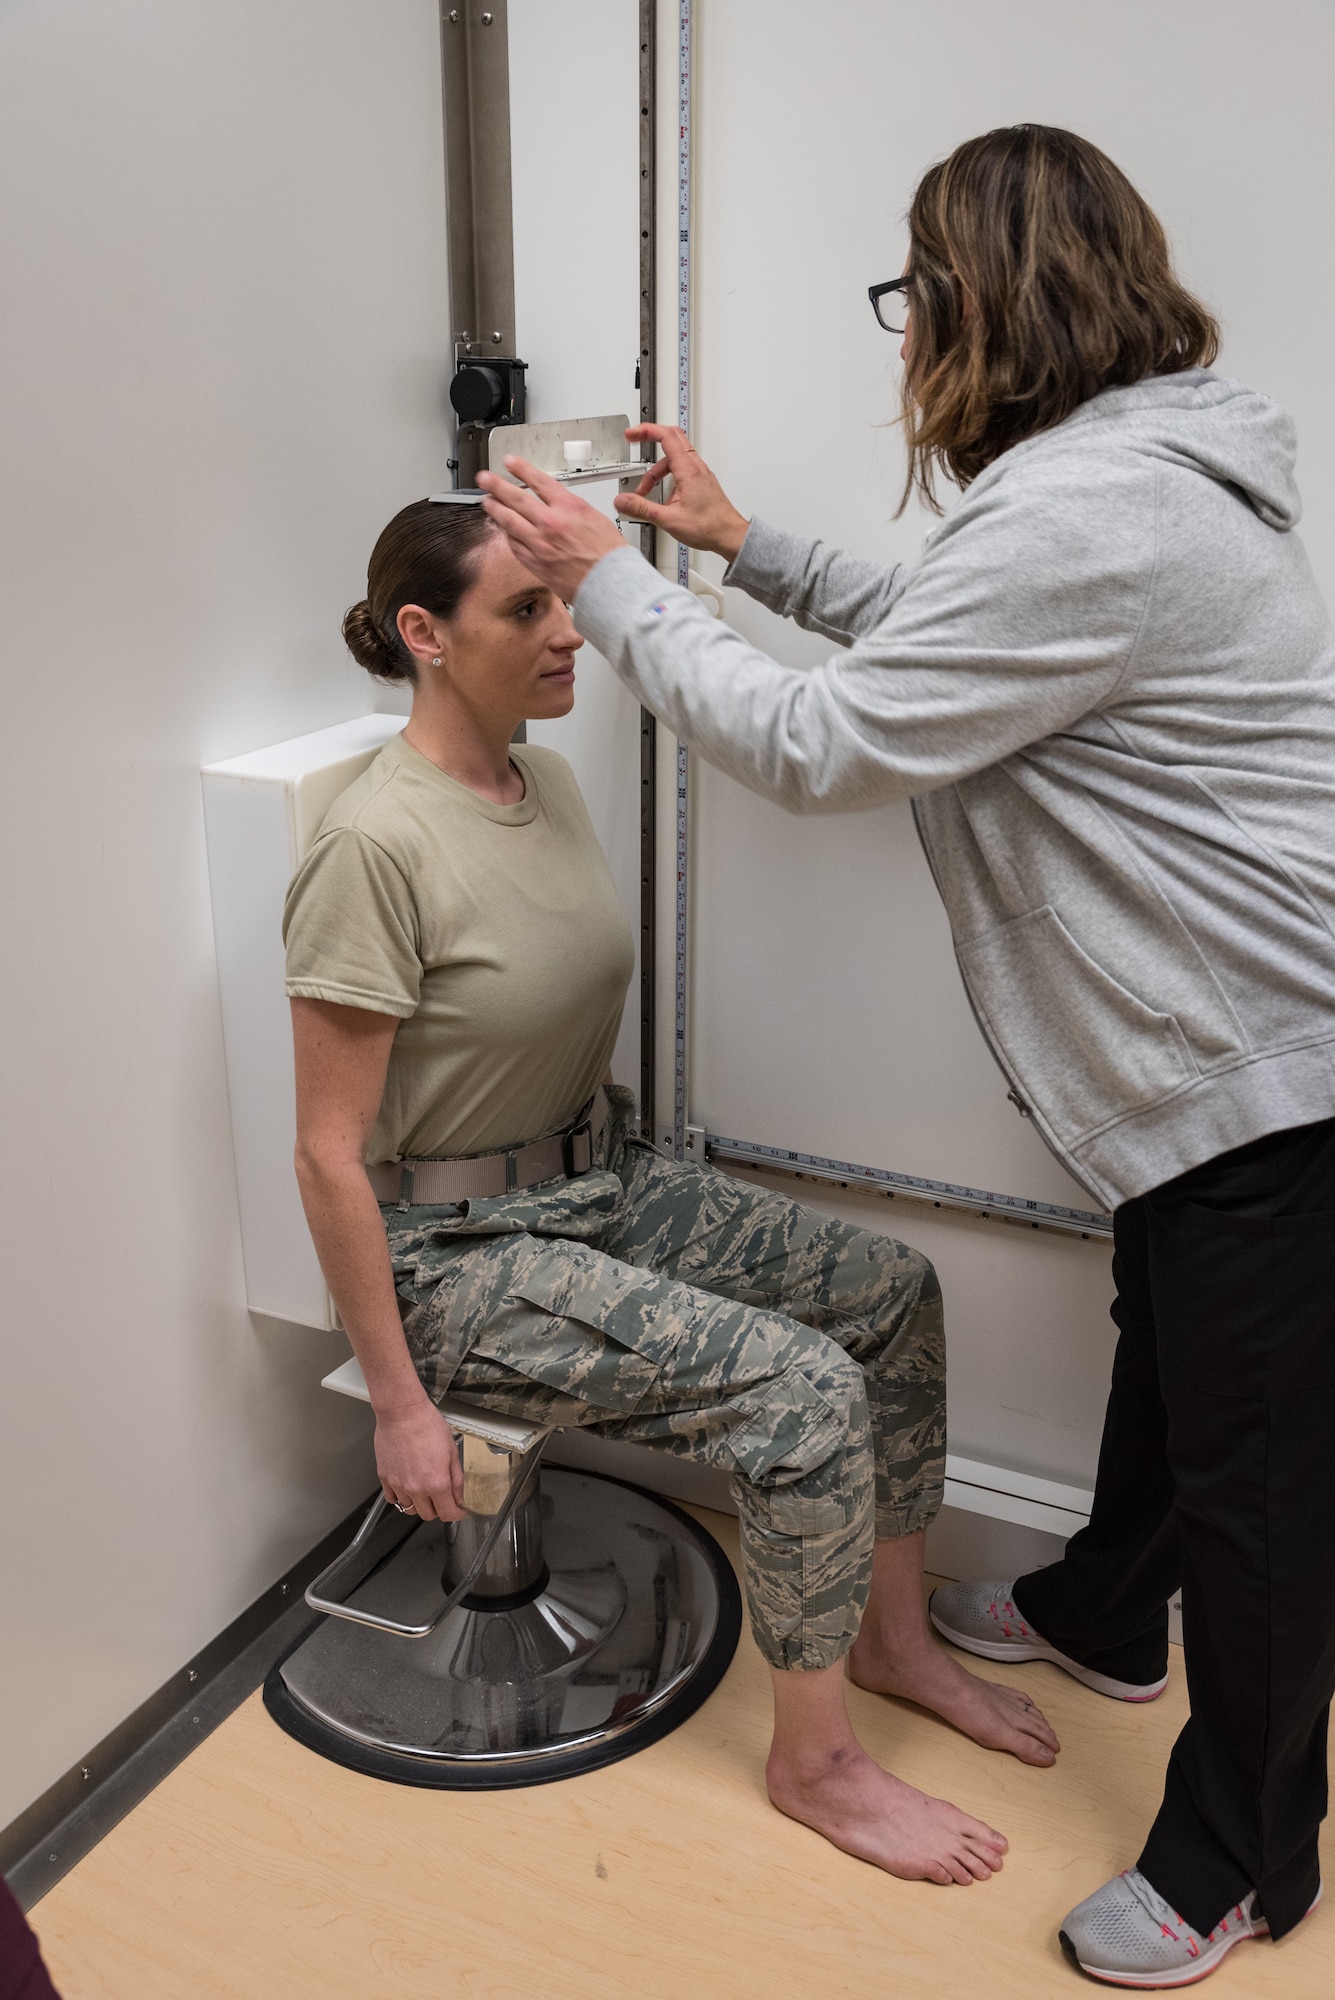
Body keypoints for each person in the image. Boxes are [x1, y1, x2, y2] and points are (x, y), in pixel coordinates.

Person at [476, 123, 1335, 1986]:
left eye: (913, 298)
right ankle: (1107, 1611)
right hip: (1227, 1070)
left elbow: (817, 747)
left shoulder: (1093, 511)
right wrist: (732, 545)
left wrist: (613, 588)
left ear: (979, 301)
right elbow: (947, 643)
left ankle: (1245, 1858)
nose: (903, 339)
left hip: (1283, 1062)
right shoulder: (1126, 483)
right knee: (1176, 1359)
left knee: (1264, 1481)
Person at [283, 496, 1060, 1889]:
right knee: (801, 1396)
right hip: (458, 1257)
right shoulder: (372, 846)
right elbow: (328, 1154)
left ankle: (889, 1639)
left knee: (890, 1297)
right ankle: (814, 1765)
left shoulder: (547, 785)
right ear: (425, 635)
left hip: (597, 1180)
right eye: (525, 611)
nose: (570, 629)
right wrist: (402, 1404)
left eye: (561, 601)